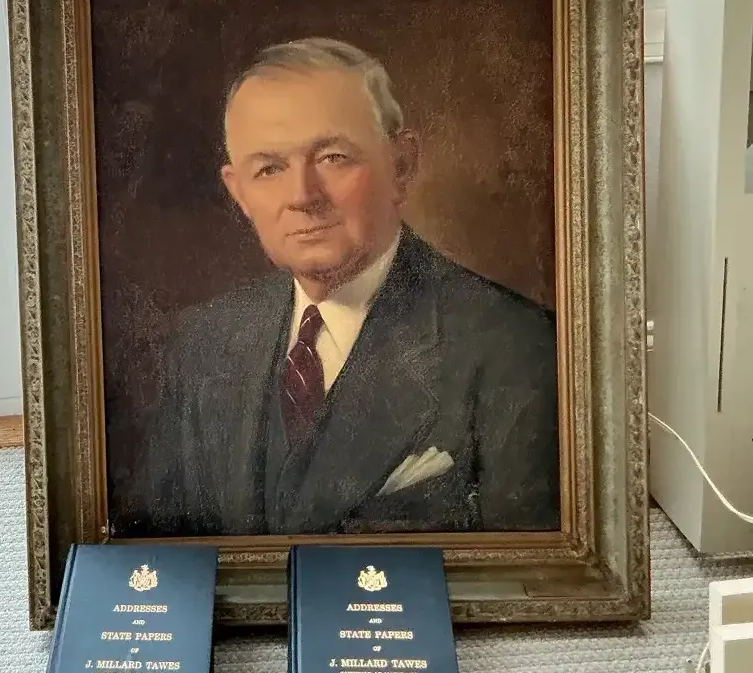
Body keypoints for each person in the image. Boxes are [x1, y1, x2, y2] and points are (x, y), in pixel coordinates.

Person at [123, 38, 560, 538]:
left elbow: (529, 567)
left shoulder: (517, 348)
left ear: (401, 166)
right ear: (238, 192)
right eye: (269, 169)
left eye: (333, 157)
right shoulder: (201, 344)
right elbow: (164, 553)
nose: (302, 196)